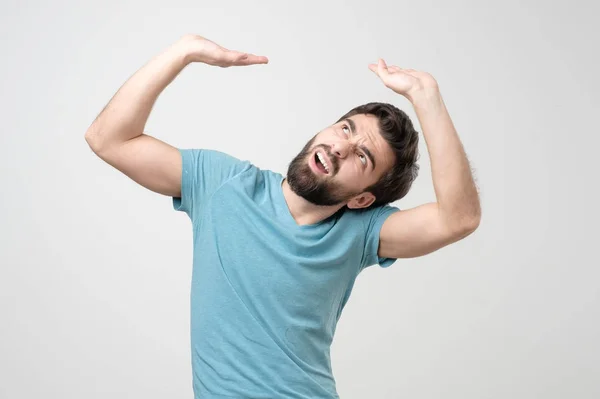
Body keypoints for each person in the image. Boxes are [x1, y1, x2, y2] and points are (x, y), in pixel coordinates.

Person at [85, 34, 481, 399]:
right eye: (346, 128)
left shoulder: (359, 232)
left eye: (363, 156)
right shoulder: (224, 185)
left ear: (362, 199)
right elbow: (108, 138)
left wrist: (426, 97)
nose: (342, 146)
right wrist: (183, 51)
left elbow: (457, 218)